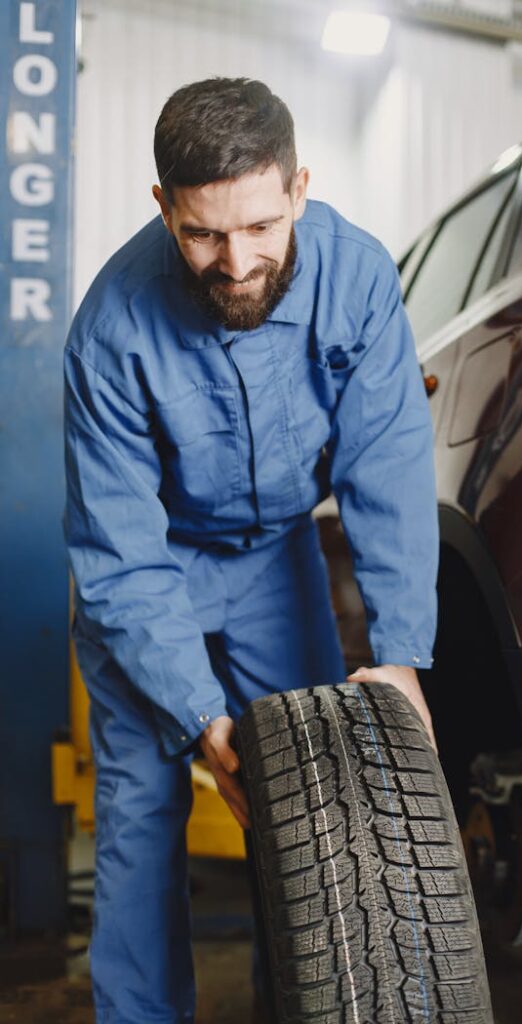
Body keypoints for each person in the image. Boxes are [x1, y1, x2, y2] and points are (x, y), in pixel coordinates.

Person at [63, 77, 438, 1023]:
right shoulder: (110, 329)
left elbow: (385, 466)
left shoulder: (357, 278)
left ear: (299, 187)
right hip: (151, 577)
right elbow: (119, 548)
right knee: (145, 819)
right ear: (162, 207)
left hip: (277, 563)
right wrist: (200, 719)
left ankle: (311, 1007)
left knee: (311, 810)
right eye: (202, 235)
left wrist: (399, 654)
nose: (235, 263)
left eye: (261, 227)